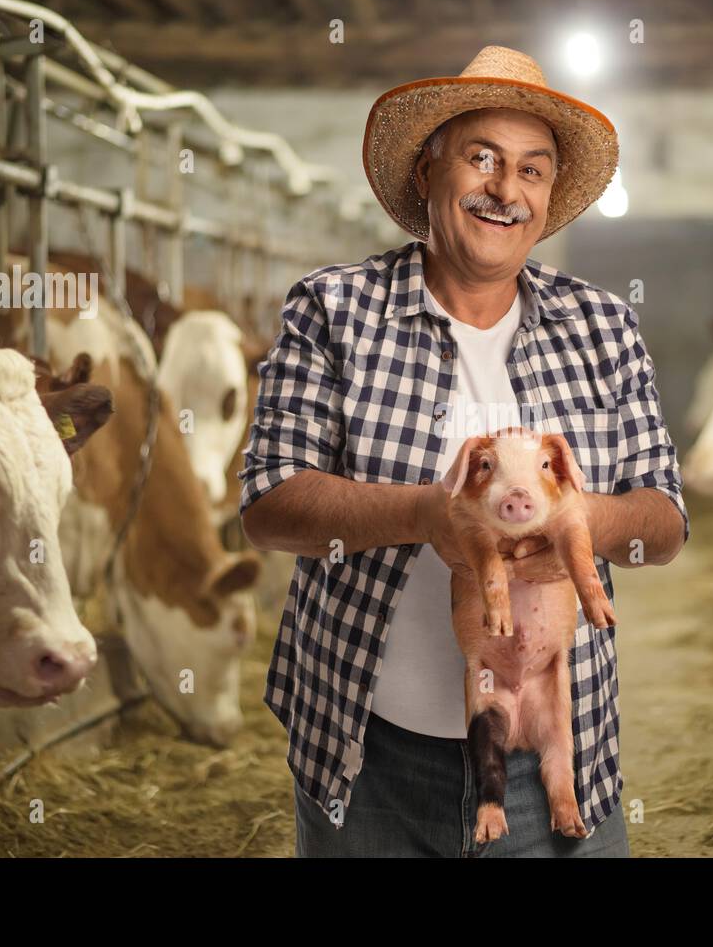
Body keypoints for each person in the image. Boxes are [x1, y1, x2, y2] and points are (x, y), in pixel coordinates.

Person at [240, 45, 688, 857]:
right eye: (480, 158)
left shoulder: (602, 327)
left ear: (549, 197)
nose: (505, 190)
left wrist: (577, 519)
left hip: (558, 753)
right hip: (365, 760)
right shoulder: (334, 310)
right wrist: (425, 514)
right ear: (426, 172)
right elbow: (269, 506)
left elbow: (664, 521)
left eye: (532, 170)